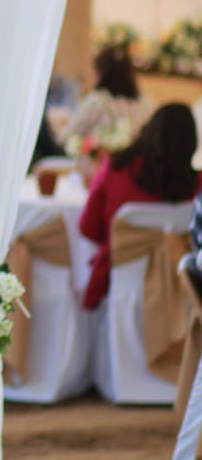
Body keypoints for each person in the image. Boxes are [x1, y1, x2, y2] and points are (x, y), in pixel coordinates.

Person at [78, 103, 201, 310]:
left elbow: (88, 228)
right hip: (181, 296)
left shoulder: (116, 170)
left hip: (122, 289)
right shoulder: (197, 188)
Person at [60, 45, 153, 157]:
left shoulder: (97, 101)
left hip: (104, 167)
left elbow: (67, 137)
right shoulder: (146, 101)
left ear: (99, 72)